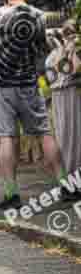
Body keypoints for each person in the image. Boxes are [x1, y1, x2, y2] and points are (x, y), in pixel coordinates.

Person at [0, 0, 66, 211]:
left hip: (0, 86)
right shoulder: (37, 16)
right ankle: (64, 185)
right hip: (28, 84)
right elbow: (41, 48)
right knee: (44, 133)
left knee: (6, 137)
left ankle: (12, 194)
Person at [45, 19, 81, 190]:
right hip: (63, 97)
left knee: (72, 137)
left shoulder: (72, 51)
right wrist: (65, 48)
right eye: (67, 34)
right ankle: (68, 181)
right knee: (65, 137)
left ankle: (72, 180)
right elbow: (61, 71)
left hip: (70, 95)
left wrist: (71, 49)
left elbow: (73, 70)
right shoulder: (55, 54)